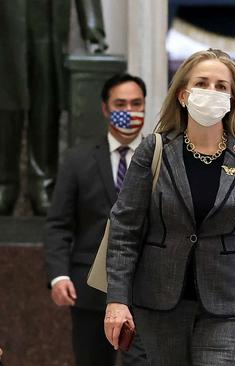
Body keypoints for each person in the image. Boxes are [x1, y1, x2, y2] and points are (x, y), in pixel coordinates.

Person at [103, 49, 235, 366]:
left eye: (221, 86)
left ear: (233, 99)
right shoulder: (154, 149)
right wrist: (117, 301)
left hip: (229, 304)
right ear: (182, 94)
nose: (211, 92)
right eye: (202, 83)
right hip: (159, 301)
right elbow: (125, 230)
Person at [43, 73, 148, 366]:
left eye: (136, 103)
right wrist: (58, 275)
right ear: (105, 108)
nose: (129, 111)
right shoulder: (78, 159)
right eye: (121, 104)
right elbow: (58, 224)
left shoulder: (160, 157)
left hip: (146, 291)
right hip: (90, 291)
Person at [0, 0, 107, 215]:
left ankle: (43, 182)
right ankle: (4, 184)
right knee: (6, 106)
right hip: (5, 26)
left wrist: (94, 32)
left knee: (46, 106)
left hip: (46, 27)